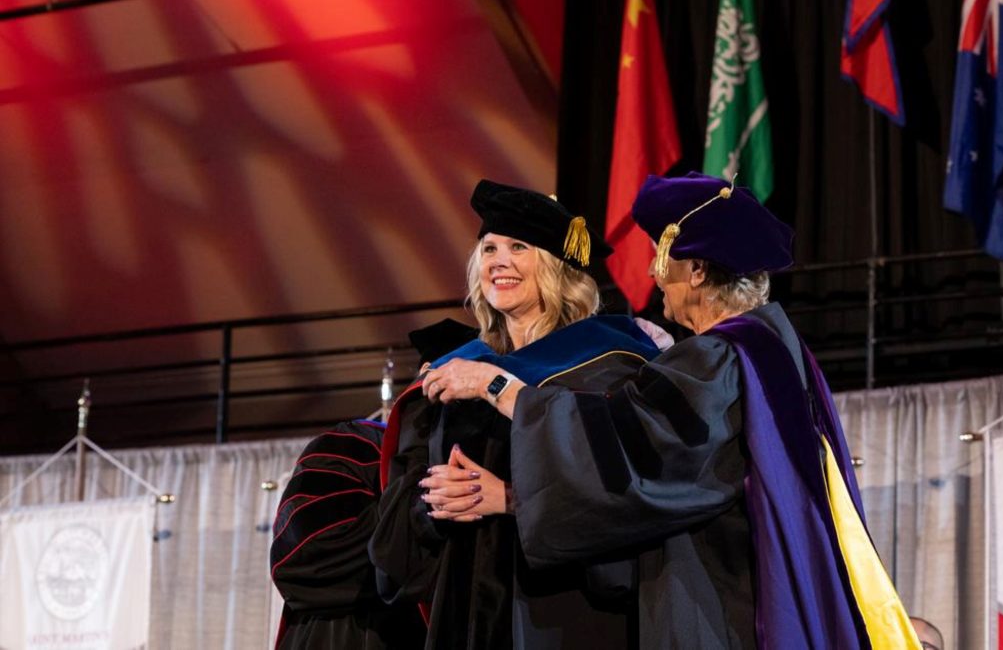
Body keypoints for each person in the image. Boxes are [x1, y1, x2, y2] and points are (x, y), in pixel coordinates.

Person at [422, 172, 922, 649]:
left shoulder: (717, 359)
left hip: (718, 594)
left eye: (665, 261)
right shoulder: (769, 349)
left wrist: (498, 390)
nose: (654, 276)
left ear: (697, 270)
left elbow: (637, 457)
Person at [368, 179, 662, 650]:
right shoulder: (456, 373)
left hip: (564, 609)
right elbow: (397, 540)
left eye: (518, 247)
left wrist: (512, 498)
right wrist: (436, 503)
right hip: (465, 608)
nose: (497, 261)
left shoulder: (607, 365)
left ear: (555, 268)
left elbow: (622, 495)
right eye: (488, 248)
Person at [269, 319, 476, 649]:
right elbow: (302, 562)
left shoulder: (495, 469)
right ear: (426, 376)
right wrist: (424, 507)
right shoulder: (353, 446)